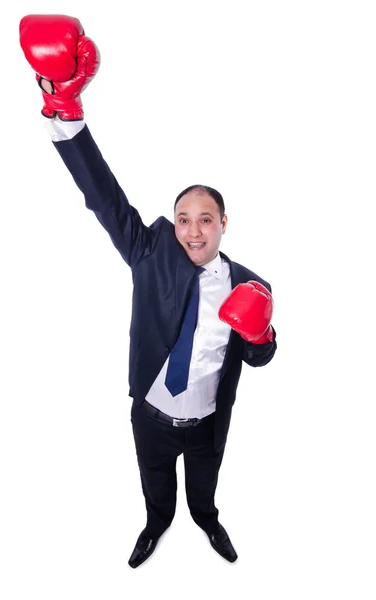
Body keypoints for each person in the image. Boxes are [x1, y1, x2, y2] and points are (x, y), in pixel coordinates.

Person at [19, 14, 277, 568]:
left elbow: (261, 357)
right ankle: (157, 525)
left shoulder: (249, 284)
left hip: (209, 420)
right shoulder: (150, 252)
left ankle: (207, 521)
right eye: (183, 218)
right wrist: (64, 110)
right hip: (152, 415)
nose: (191, 230)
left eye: (204, 219)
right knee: (156, 489)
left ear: (224, 223)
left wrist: (263, 332)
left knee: (203, 491)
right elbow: (104, 197)